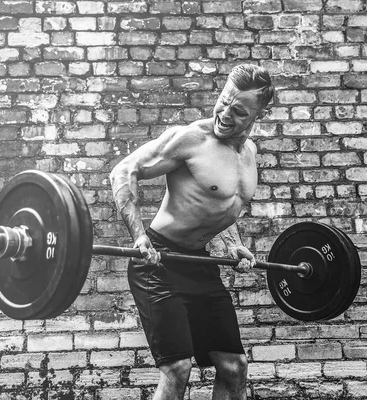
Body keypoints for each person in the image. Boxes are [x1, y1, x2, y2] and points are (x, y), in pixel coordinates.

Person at [109, 64, 274, 400]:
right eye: (223, 102)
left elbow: (224, 203)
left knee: (234, 365)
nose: (225, 113)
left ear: (257, 114)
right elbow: (124, 171)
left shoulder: (249, 153)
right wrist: (138, 235)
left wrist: (234, 244)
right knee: (178, 368)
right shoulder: (192, 140)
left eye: (238, 110)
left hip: (199, 264)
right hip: (158, 262)